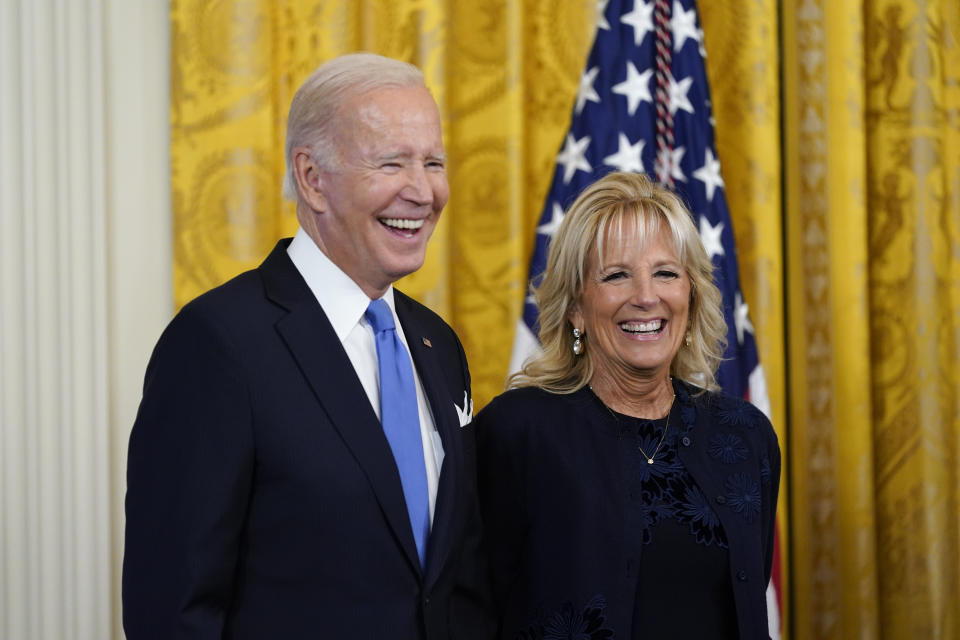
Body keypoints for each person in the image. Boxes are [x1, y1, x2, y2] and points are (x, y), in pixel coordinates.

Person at [123, 53, 491, 639]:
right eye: (392, 162)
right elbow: (173, 609)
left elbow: (456, 579)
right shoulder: (217, 344)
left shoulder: (437, 344)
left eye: (434, 162)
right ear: (313, 178)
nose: (423, 191)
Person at [476, 172, 780, 639]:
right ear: (576, 305)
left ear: (691, 293)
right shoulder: (516, 432)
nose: (645, 296)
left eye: (665, 273)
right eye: (617, 275)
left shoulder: (743, 435)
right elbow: (473, 610)